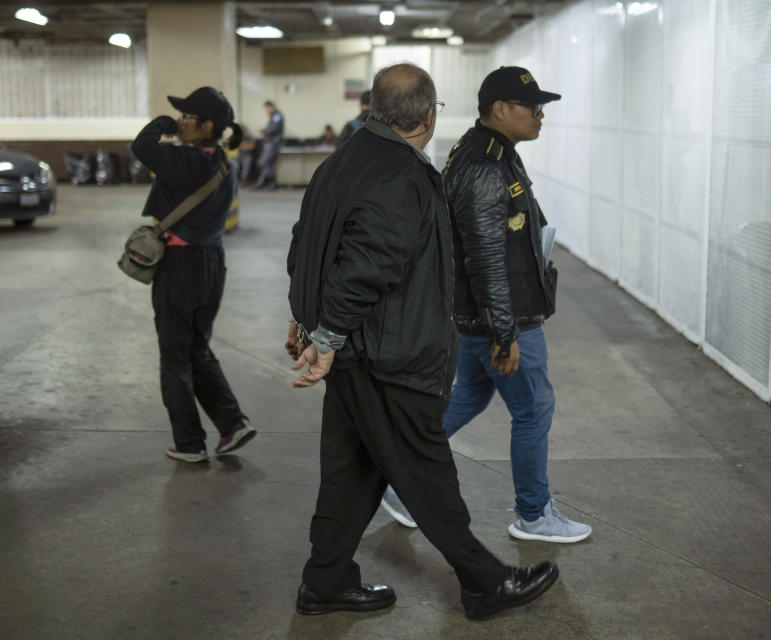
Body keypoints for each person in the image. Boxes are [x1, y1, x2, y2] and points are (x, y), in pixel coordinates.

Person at [285, 63, 558, 619]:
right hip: (390, 353)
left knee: (354, 468)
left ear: (373, 110)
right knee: (427, 470)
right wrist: (328, 335)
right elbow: (367, 265)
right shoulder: (401, 174)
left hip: (360, 349)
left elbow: (307, 242)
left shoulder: (345, 159)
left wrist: (307, 317)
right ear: (430, 116)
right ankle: (484, 582)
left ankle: (327, 580)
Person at [379, 66, 591, 544]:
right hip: (500, 315)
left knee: (471, 394)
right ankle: (533, 514)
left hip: (484, 315)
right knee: (534, 408)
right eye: (532, 107)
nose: (541, 115)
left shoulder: (494, 152)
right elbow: (486, 258)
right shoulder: (483, 165)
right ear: (500, 110)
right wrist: (505, 332)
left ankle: (395, 483)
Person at [130, 86, 257, 463]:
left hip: (180, 268)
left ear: (205, 127)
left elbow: (142, 146)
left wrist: (162, 124)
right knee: (196, 348)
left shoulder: (184, 161)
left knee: (175, 356)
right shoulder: (222, 163)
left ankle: (188, 443)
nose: (181, 124)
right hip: (212, 265)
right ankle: (233, 424)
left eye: (186, 118)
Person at [253, 100, 283, 189]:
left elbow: (274, 128)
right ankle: (267, 183)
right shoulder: (274, 116)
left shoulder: (277, 116)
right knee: (269, 163)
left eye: (267, 108)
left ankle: (266, 183)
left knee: (265, 162)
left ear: (272, 107)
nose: (266, 111)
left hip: (274, 143)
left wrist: (264, 131)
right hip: (271, 143)